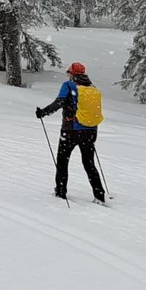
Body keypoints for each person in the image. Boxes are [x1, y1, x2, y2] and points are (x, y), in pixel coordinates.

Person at [35, 62, 106, 204]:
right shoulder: (92, 88)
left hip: (71, 129)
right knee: (89, 162)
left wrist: (43, 112)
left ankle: (61, 191)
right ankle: (99, 194)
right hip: (91, 130)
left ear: (72, 73)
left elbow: (59, 102)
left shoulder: (69, 85)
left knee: (62, 160)